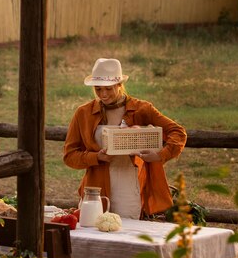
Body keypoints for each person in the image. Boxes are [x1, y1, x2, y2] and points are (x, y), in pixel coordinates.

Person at [63, 58, 187, 219]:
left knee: (128, 232)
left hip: (129, 185)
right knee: (92, 230)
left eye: (108, 89)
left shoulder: (142, 109)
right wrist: (96, 157)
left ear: (120, 85)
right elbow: (69, 156)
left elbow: (178, 132)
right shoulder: (83, 113)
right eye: (98, 89)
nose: (103, 94)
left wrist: (160, 155)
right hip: (95, 187)